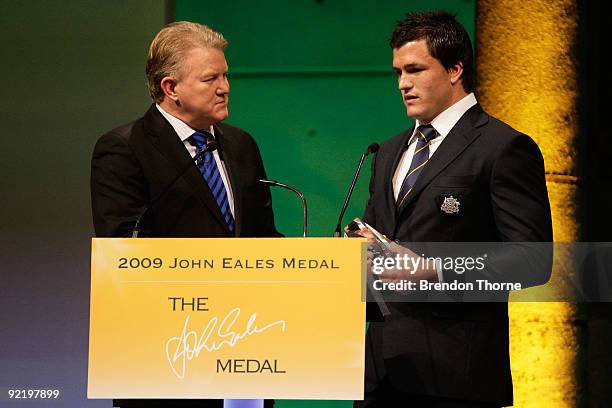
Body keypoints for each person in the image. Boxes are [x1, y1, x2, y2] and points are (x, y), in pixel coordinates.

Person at [354, 11, 552, 407]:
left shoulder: (502, 147)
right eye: (398, 72)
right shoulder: (388, 151)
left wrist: (435, 269)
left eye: (415, 70)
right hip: (380, 373)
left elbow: (533, 260)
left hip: (455, 377)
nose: (403, 84)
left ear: (455, 69)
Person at [90, 21, 279, 407]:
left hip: (244, 348)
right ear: (171, 88)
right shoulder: (124, 149)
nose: (225, 87)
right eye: (211, 78)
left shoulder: (240, 145)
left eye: (225, 75)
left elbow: (262, 239)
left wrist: (316, 265)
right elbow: (126, 253)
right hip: (166, 357)